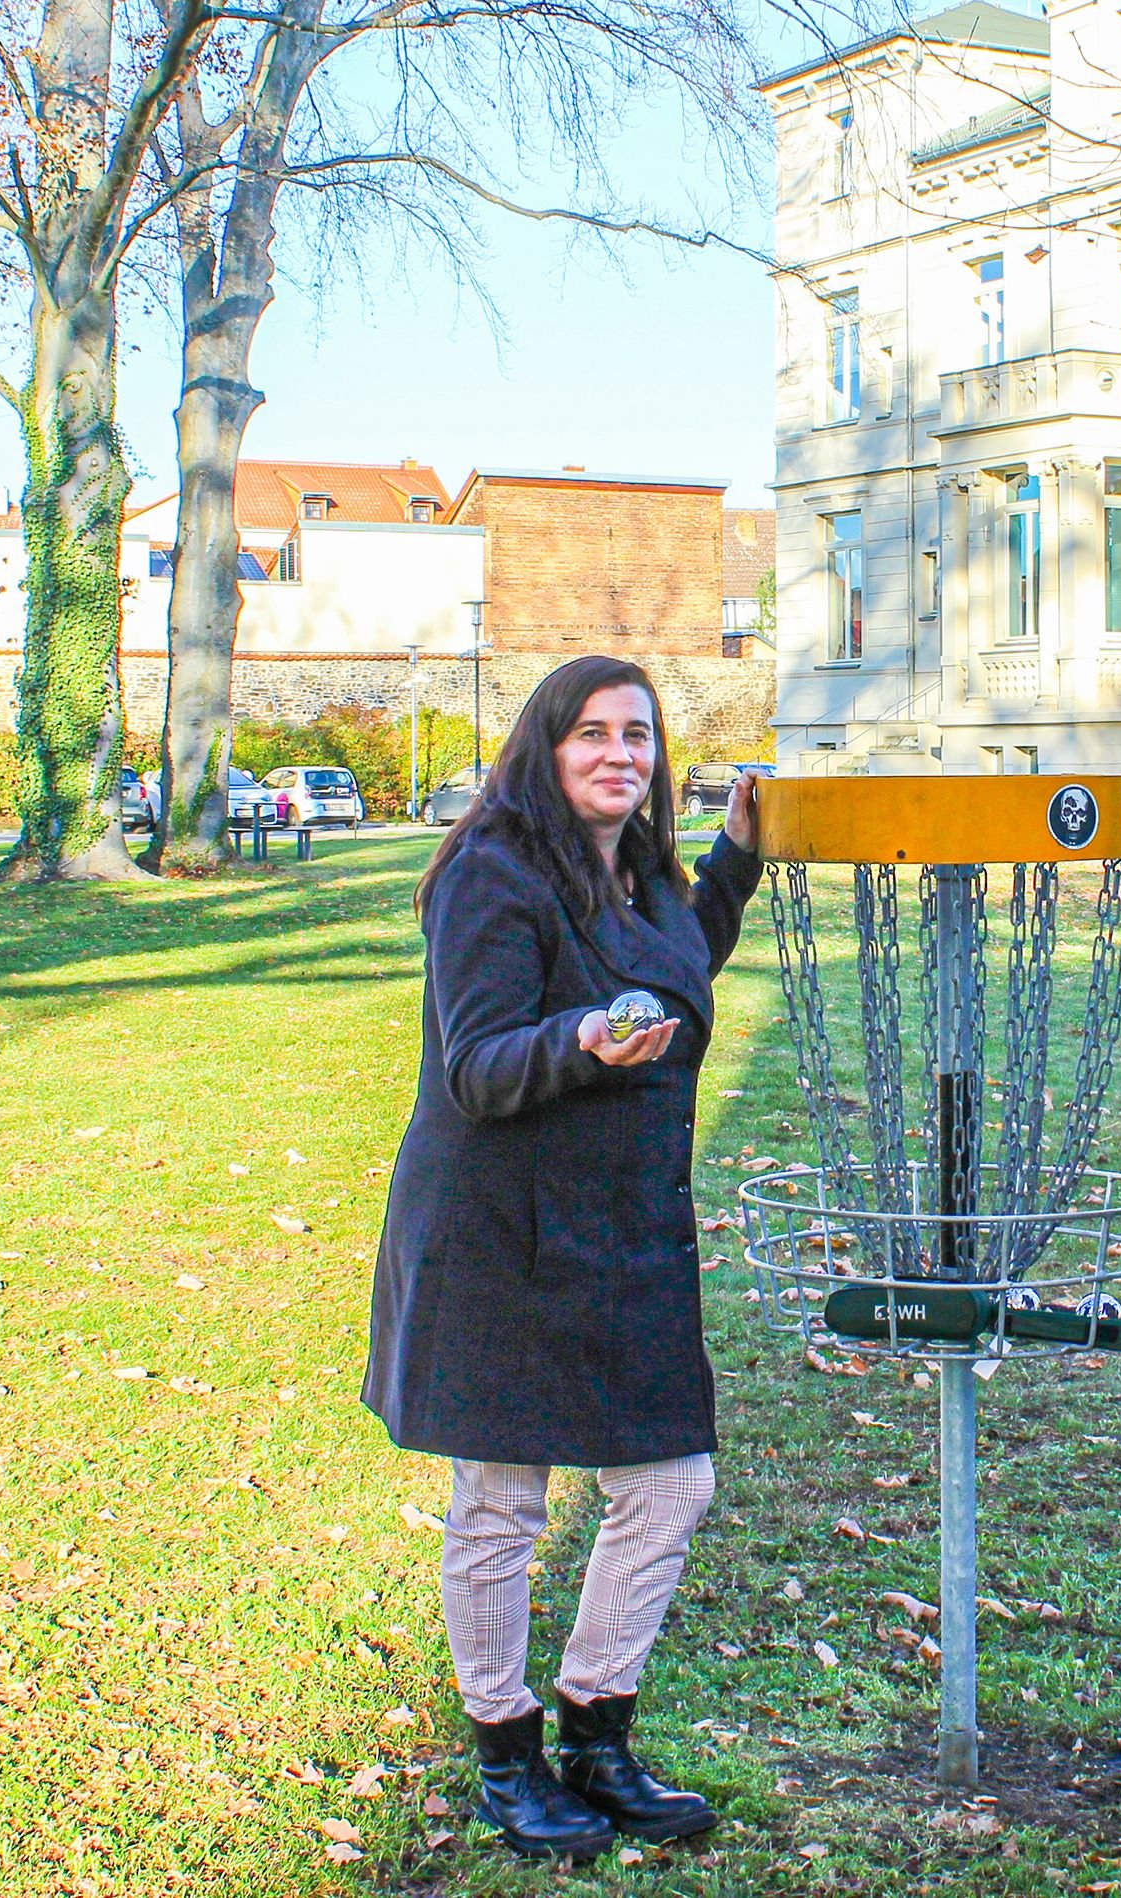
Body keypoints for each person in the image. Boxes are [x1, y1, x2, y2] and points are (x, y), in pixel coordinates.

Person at [362, 656, 763, 1860]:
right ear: (544, 746)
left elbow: (678, 965)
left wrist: (735, 861)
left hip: (624, 1229)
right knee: (502, 1502)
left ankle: (596, 1727)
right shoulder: (492, 872)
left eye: (638, 736)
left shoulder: (641, 878)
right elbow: (476, 1065)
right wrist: (585, 1039)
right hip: (502, 1231)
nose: (619, 755)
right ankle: (504, 1748)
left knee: (670, 1484)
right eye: (591, 733)